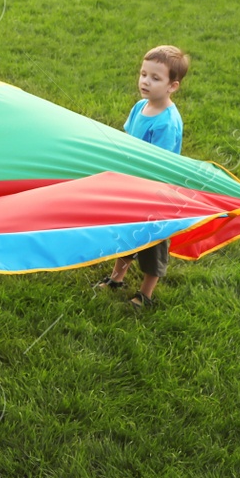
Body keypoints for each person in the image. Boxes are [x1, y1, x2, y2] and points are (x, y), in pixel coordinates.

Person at [96, 45, 188, 306]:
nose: (146, 81)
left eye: (155, 78)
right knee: (127, 234)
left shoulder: (167, 122)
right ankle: (117, 278)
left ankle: (145, 294)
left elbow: (158, 163)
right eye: (143, 74)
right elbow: (128, 141)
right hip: (132, 185)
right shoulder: (140, 107)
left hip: (155, 193)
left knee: (151, 244)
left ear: (173, 86)